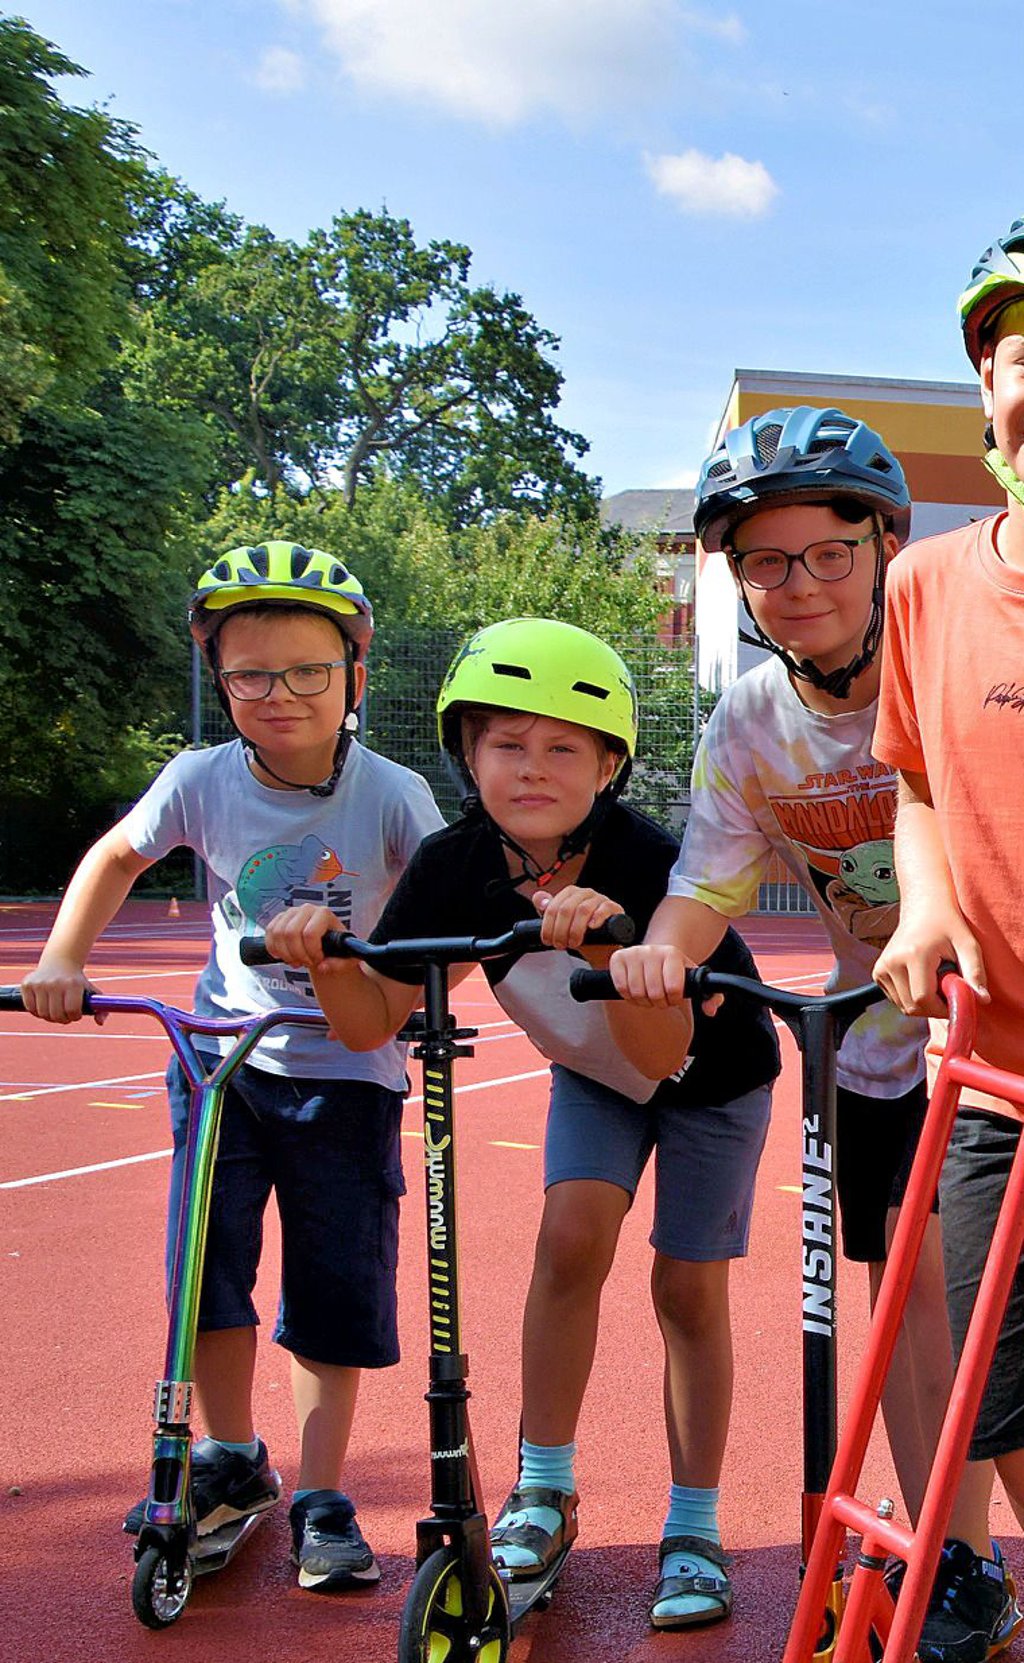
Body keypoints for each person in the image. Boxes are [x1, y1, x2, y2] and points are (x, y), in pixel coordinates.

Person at [264, 616, 781, 1630]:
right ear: (466, 752)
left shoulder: (648, 862)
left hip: (706, 1076)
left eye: (561, 748)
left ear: (608, 766)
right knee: (568, 1238)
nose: (530, 767)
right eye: (506, 743)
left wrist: (618, 944)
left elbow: (656, 1054)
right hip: (592, 1073)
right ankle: (542, 1490)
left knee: (685, 1286)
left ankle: (694, 1523)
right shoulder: (456, 863)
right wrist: (325, 958)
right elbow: (378, 1015)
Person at [608, 407, 1002, 1663]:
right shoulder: (749, 727)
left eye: (827, 553)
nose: (798, 585)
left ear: (883, 543)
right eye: (763, 562)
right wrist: (660, 945)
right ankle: (960, 1558)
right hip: (880, 1051)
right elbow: (703, 882)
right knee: (910, 1311)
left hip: (1002, 1036)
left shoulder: (947, 645)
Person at [22, 540, 445, 1594]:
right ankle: (230, 1454)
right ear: (219, 678)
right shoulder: (199, 778)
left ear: (354, 672)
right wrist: (62, 958)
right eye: (250, 673)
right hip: (220, 1061)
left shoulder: (390, 795)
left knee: (331, 1286)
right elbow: (118, 854)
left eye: (307, 670)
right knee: (202, 1271)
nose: (278, 694)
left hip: (345, 1077)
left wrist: (395, 987)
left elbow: (440, 909)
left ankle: (324, 1492)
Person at [872, 217, 1024, 1663]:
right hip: (996, 1067)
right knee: (1005, 1386)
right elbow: (916, 775)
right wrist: (924, 906)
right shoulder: (925, 583)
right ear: (989, 385)